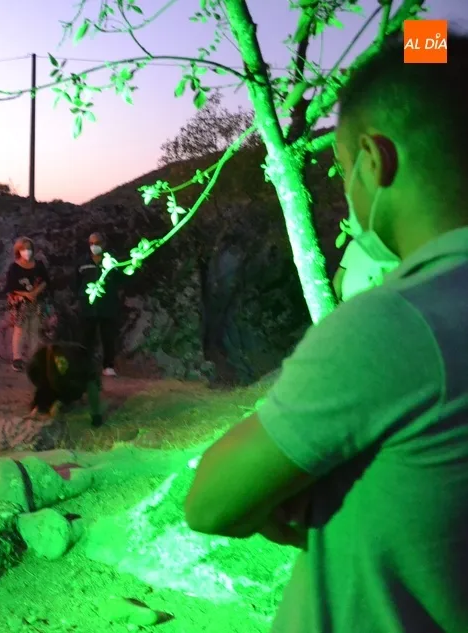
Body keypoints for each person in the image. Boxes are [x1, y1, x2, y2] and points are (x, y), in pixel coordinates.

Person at [183, 33, 468, 633]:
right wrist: (430, 38)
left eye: (342, 168)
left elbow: (209, 502)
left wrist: (277, 490)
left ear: (375, 159)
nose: (345, 187)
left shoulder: (396, 324)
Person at [27, 342, 104, 428]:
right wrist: (96, 416)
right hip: (42, 366)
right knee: (66, 392)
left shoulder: (82, 358)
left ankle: (41, 406)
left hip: (41, 361)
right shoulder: (88, 371)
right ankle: (43, 407)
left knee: (64, 390)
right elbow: (92, 391)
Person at [76, 232, 122, 376]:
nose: (94, 246)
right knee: (86, 338)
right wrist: (80, 297)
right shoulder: (82, 263)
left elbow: (121, 280)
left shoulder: (112, 262)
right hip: (88, 306)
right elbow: (76, 282)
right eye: (91, 243)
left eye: (97, 243)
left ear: (104, 244)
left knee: (108, 337)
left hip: (107, 305)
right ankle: (85, 366)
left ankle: (108, 366)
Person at [5, 237, 49, 372]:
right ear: (18, 251)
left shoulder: (39, 265)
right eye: (23, 249)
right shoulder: (14, 268)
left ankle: (34, 358)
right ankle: (17, 358)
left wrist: (35, 293)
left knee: (34, 330)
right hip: (21, 304)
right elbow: (11, 286)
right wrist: (26, 294)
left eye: (29, 248)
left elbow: (46, 280)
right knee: (20, 330)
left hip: (37, 302)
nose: (27, 251)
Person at [332, 221, 399, 302]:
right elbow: (339, 276)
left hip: (367, 304)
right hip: (347, 303)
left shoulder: (393, 260)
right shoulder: (355, 245)